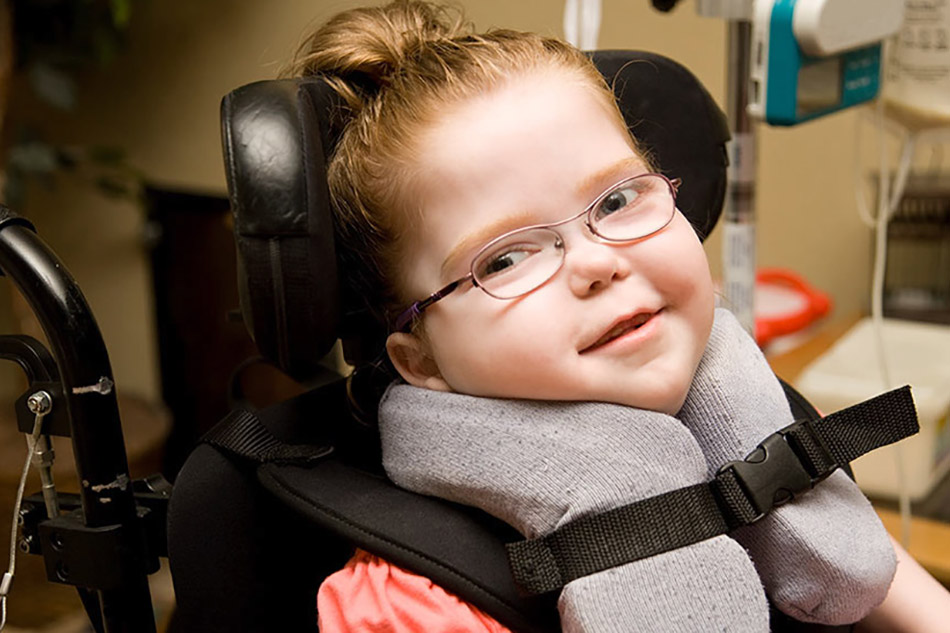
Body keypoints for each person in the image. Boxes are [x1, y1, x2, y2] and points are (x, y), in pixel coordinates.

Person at [286, 1, 950, 631]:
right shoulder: (411, 603)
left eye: (616, 200)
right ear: (421, 359)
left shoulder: (759, 425)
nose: (595, 263)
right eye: (505, 259)